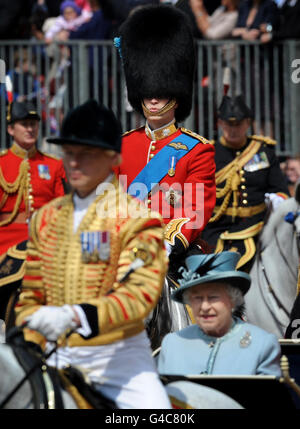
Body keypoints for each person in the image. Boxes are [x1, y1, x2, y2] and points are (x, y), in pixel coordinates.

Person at [14, 99, 171, 410]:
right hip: (52, 355)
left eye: (85, 154)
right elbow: (30, 294)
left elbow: (138, 295)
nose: (73, 162)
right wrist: (30, 332)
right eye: (69, 153)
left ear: (113, 158)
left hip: (119, 360)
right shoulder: (45, 218)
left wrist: (75, 316)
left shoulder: (136, 218)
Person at [115, 4, 216, 264]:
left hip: (173, 253)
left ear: (176, 94)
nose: (154, 100)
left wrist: (169, 243)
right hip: (126, 251)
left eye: (160, 93)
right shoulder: (123, 145)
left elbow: (196, 207)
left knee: (210, 302)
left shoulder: (197, 149)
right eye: (148, 94)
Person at [201, 95, 290, 271]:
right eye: (228, 124)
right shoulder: (208, 154)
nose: (233, 129)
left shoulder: (263, 153)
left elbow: (281, 190)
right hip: (216, 228)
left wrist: (277, 199)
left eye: (238, 124)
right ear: (219, 123)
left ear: (248, 123)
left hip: (256, 227)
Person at [157, 251, 282, 376]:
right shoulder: (172, 344)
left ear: (233, 299)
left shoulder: (262, 344)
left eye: (213, 297)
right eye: (197, 298)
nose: (204, 307)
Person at [0, 101, 66, 255]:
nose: (30, 129)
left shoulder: (54, 164)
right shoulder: (2, 163)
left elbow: (61, 206)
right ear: (10, 129)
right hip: (6, 240)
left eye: (33, 124)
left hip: (44, 238)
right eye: (24, 124)